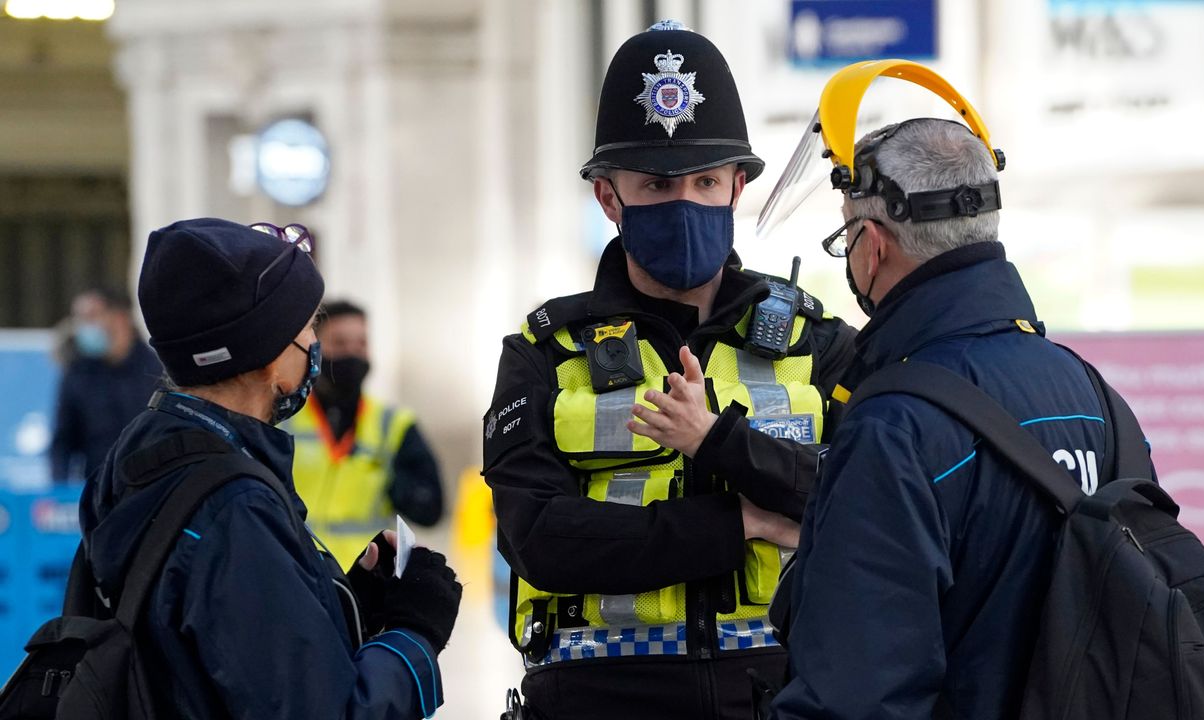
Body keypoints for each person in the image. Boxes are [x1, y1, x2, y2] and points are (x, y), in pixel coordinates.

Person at [482, 21, 858, 720]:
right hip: (598, 701)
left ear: (738, 186)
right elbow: (539, 540)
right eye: (655, 183)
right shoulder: (543, 352)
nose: (683, 202)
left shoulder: (819, 343)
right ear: (609, 197)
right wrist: (737, 523)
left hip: (778, 694)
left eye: (705, 180)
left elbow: (864, 498)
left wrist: (723, 445)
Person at [762, 64, 1116, 719]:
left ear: (870, 246)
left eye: (845, 235)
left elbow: (855, 696)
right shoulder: (1090, 394)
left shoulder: (894, 431)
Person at [78, 218, 461, 719]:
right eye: (306, 329)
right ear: (266, 356)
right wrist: (415, 632)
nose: (314, 346)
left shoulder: (141, 456)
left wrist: (344, 603)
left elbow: (213, 652)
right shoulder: (233, 509)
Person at [283, 298, 444, 568]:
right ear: (316, 350)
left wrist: (393, 481)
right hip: (296, 571)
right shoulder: (283, 418)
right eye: (340, 343)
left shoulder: (393, 424)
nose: (352, 353)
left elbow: (431, 510)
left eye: (361, 344)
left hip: (366, 580)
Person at [50, 287, 162, 481]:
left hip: (152, 488)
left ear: (119, 318)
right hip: (98, 490)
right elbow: (63, 441)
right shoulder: (78, 373)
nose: (83, 326)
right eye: (79, 318)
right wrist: (59, 492)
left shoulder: (157, 371)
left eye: (91, 316)